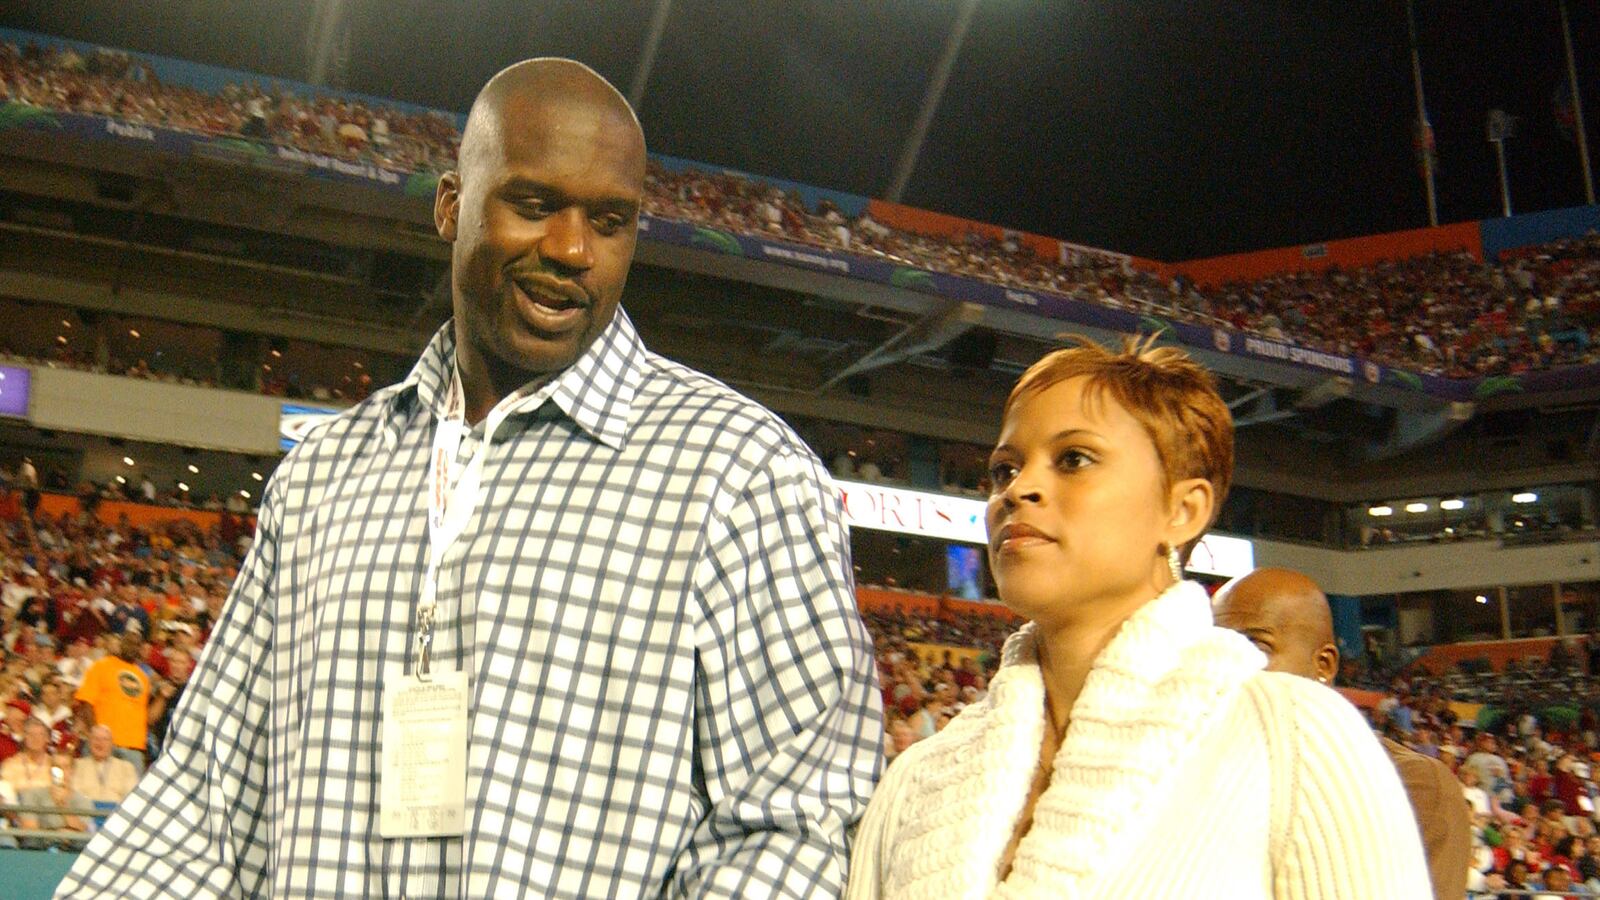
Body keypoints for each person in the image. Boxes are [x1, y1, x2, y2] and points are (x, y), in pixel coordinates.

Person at [58, 58, 880, 899]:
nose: (571, 250)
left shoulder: (745, 477)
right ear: (450, 206)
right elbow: (205, 806)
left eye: (610, 220)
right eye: (533, 205)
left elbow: (794, 826)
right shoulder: (324, 477)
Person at [848, 336, 1429, 898]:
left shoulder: (1296, 737)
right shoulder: (918, 779)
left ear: (1182, 509)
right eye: (1004, 470)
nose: (1018, 489)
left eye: (1074, 459)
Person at [1212, 566, 1473, 900]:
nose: (1226, 664)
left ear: (1324, 665)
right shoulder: (1192, 771)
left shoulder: (1411, 781)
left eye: (1258, 647)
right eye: (1216, 648)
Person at [71, 631, 151, 771]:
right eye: (129, 642)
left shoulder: (143, 678)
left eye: (137, 644)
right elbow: (86, 701)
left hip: (133, 747)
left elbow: (144, 714)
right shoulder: (101, 666)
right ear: (121, 644)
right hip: (102, 743)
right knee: (92, 790)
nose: (132, 647)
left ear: (141, 649)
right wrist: (94, 733)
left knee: (132, 792)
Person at [70, 725, 139, 806]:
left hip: (115, 813)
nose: (100, 743)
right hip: (86, 813)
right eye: (96, 739)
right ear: (89, 743)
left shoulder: (126, 767)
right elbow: (73, 794)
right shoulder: (77, 765)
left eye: (105, 739)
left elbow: (131, 797)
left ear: (112, 744)